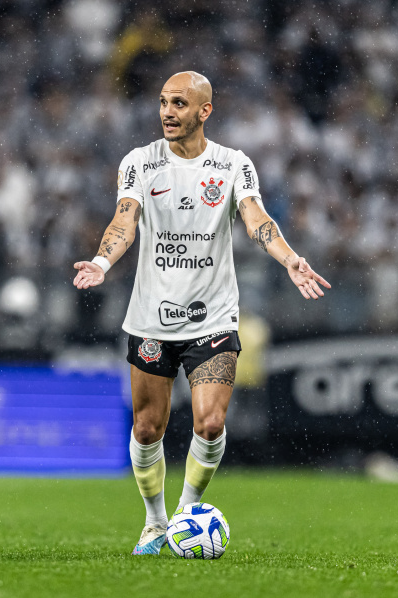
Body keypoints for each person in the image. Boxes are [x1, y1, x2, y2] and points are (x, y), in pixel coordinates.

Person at [73, 71, 330, 555]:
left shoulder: (233, 165)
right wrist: (103, 261)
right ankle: (154, 521)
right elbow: (124, 221)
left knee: (209, 423)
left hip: (212, 317)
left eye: (179, 104)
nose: (168, 112)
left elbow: (257, 219)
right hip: (151, 316)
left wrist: (291, 258)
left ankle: (186, 515)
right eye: (163, 103)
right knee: (147, 427)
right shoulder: (140, 163)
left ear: (204, 111)